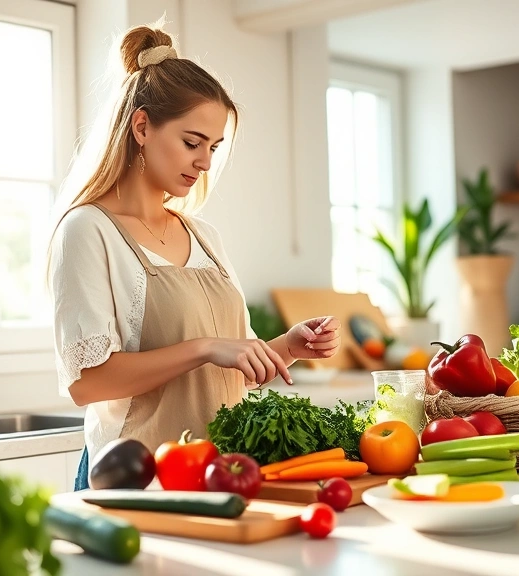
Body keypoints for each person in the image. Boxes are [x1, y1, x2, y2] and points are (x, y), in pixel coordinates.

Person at [48, 23, 341, 491]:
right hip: (137, 482)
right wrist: (204, 346)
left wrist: (287, 346)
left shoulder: (203, 236)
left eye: (213, 147)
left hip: (218, 475)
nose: (205, 162)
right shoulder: (88, 230)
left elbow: (229, 371)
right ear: (141, 127)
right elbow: (89, 383)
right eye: (192, 142)